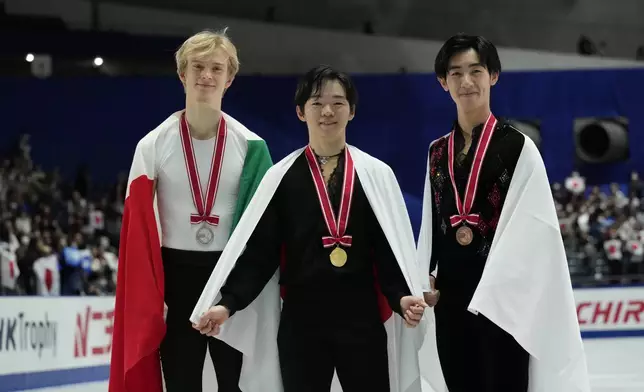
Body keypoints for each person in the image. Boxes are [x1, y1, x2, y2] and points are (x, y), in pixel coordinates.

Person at [190, 65, 428, 392]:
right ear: (301, 112)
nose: (327, 111)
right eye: (317, 103)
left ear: (352, 111)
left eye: (337, 102)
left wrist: (401, 297)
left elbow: (388, 251)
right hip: (302, 323)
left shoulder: (376, 175)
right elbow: (262, 253)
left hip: (360, 319)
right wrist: (227, 302)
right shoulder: (281, 176)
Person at [416, 34, 591, 392]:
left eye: (475, 71)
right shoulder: (437, 153)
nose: (466, 82)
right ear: (442, 81)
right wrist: (425, 277)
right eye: (455, 73)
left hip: (504, 306)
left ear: (493, 75)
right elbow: (431, 224)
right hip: (451, 303)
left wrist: (502, 289)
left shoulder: (519, 148)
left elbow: (536, 229)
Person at [108, 29, 273, 392]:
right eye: (197, 66)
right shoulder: (153, 146)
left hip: (230, 283)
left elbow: (266, 234)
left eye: (217, 68)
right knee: (182, 384)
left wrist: (239, 294)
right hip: (176, 282)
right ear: (182, 74)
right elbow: (137, 234)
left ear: (229, 79)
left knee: (235, 384)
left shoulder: (251, 148)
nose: (206, 76)